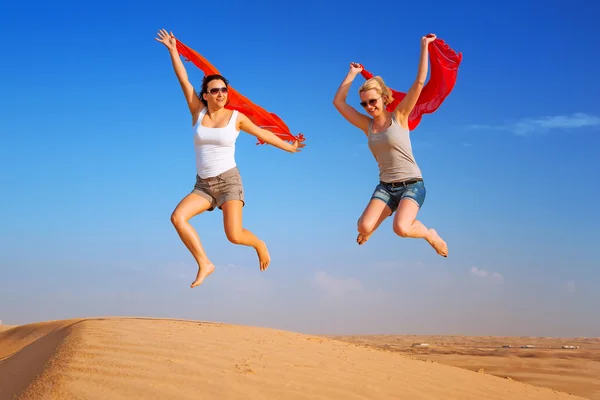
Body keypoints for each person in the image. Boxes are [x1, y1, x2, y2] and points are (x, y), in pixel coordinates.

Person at [155, 29, 305, 288]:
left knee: (234, 236)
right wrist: (173, 50)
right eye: (214, 91)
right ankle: (205, 263)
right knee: (177, 218)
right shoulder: (197, 113)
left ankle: (259, 243)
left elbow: (263, 134)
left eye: (224, 90)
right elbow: (184, 81)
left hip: (228, 182)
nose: (221, 94)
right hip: (203, 185)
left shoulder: (236, 118)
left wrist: (289, 148)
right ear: (206, 95)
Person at [332, 33, 448, 257]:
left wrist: (424, 46)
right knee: (363, 227)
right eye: (364, 103)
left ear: (384, 99)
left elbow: (420, 82)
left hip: (412, 185)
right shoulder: (366, 125)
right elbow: (338, 102)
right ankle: (375, 224)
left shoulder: (400, 116)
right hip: (386, 187)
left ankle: (429, 234)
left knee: (401, 228)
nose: (368, 106)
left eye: (373, 101)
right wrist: (352, 73)